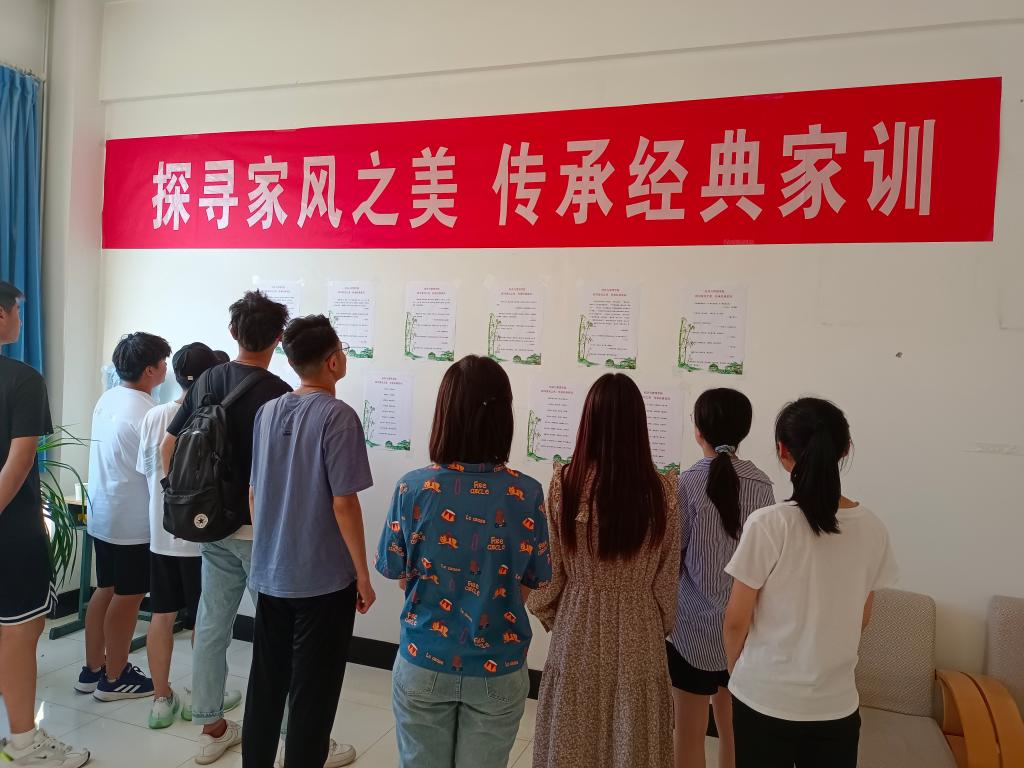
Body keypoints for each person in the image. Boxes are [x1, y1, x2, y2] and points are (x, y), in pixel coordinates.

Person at [376, 355, 551, 768]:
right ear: (504, 417)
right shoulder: (527, 493)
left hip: (423, 658)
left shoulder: (413, 489)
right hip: (498, 667)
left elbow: (400, 575)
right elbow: (528, 583)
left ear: (444, 413)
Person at [723, 398, 898, 768]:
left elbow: (736, 619)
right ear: (845, 450)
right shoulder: (873, 528)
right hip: (834, 705)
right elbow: (863, 617)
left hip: (762, 699)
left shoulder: (768, 524)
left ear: (782, 451)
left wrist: (738, 673)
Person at [158, 291, 294, 765]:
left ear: (233, 332)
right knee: (278, 636)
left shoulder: (208, 379)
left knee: (212, 627)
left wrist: (179, 495)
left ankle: (212, 728)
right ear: (279, 338)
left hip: (212, 528)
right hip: (260, 533)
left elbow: (169, 446)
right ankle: (292, 737)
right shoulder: (280, 393)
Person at [527, 373, 680, 768]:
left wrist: (552, 612)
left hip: (577, 625)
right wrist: (658, 622)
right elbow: (667, 580)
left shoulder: (564, 483)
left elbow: (549, 571)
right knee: (634, 738)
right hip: (640, 628)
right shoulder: (662, 490)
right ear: (639, 425)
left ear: (588, 422)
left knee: (573, 734)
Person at [243, 316, 375, 768]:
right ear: (333, 360)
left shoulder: (267, 412)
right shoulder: (339, 416)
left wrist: (269, 548)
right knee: (312, 693)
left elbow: (254, 492)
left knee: (266, 684)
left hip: (271, 572)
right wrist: (362, 575)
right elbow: (344, 503)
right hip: (323, 580)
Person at [0, 281, 90, 766]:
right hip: (11, 533)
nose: (20, 319)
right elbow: (17, 465)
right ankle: (24, 741)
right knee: (19, 633)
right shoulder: (22, 379)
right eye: (16, 310)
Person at [668, 389, 774, 768]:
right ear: (744, 430)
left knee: (688, 734)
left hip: (690, 631)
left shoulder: (686, 483)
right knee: (734, 733)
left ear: (699, 431)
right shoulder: (763, 485)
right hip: (744, 633)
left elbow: (672, 557)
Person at [78, 331, 170, 702]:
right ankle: (114, 678)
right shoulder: (147, 413)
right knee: (129, 597)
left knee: (106, 589)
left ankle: (93, 669)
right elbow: (156, 473)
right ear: (150, 370)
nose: (165, 368)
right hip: (132, 522)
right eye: (163, 362)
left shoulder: (109, 398)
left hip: (103, 513)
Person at [137, 342, 220, 729]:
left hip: (161, 533)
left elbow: (145, 470)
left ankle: (160, 699)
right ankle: (201, 698)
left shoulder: (155, 415)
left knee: (161, 615)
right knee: (205, 622)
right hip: (202, 540)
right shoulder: (214, 415)